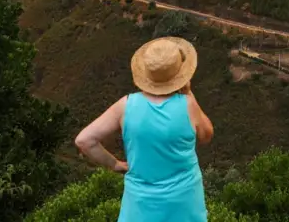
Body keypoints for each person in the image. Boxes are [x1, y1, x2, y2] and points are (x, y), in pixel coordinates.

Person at [74, 36, 214, 222]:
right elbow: (206, 135)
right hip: (184, 204)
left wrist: (115, 164)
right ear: (179, 75)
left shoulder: (126, 106)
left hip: (139, 207)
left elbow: (84, 141)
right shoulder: (188, 105)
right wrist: (188, 93)